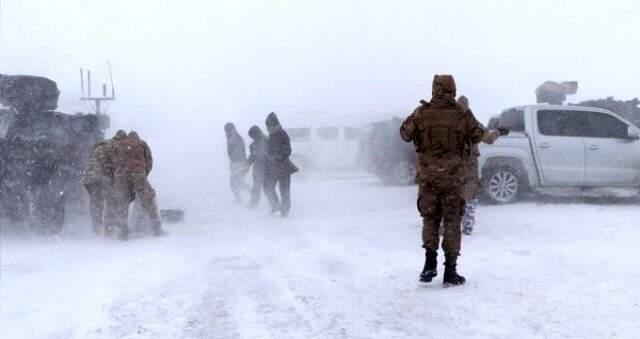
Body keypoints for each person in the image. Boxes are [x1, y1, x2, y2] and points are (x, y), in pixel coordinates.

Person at [400, 74, 490, 287]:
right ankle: (450, 271)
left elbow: (404, 134)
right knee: (452, 222)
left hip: (428, 178)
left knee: (430, 220)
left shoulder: (421, 113)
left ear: (434, 89)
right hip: (453, 180)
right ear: (453, 90)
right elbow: (478, 134)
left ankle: (429, 263)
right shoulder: (462, 114)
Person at [457, 96, 508, 235]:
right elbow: (489, 139)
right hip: (469, 165)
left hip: (450, 165)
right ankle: (467, 225)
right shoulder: (473, 124)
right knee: (471, 195)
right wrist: (498, 132)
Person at [113, 131, 166, 240]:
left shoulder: (119, 145)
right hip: (138, 173)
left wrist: (120, 175)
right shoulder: (141, 143)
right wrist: (143, 175)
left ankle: (123, 231)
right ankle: (157, 228)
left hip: (121, 176)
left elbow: (114, 162)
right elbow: (149, 160)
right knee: (148, 199)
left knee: (122, 202)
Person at [83, 130, 126, 235]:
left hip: (89, 177)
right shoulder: (115, 146)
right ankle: (109, 229)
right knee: (112, 200)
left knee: (96, 203)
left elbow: (91, 160)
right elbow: (114, 164)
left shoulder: (101, 144)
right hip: (102, 177)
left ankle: (96, 229)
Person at [264, 112, 298, 218]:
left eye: (270, 126)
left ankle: (285, 210)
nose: (268, 129)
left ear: (275, 125)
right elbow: (269, 150)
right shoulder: (271, 135)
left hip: (283, 166)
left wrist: (279, 156)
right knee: (268, 187)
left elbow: (287, 149)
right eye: (267, 127)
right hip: (273, 167)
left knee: (284, 190)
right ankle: (276, 206)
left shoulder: (282, 134)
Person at [225, 122, 250, 203]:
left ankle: (253, 193)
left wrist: (236, 162)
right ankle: (250, 194)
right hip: (237, 163)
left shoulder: (235, 138)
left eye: (226, 130)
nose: (225, 132)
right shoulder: (232, 137)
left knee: (236, 182)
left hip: (239, 164)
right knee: (238, 182)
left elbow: (239, 152)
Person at [247, 125, 269, 208]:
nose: (252, 138)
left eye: (252, 136)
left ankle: (273, 203)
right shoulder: (253, 145)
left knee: (266, 187)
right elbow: (252, 156)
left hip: (266, 169)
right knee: (257, 187)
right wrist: (246, 163)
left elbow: (271, 155)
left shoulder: (268, 141)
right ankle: (253, 203)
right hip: (258, 169)